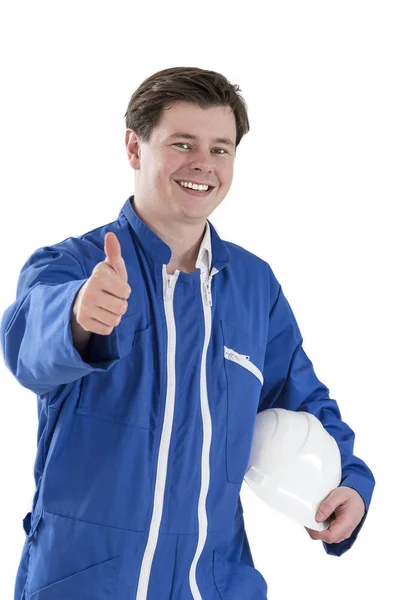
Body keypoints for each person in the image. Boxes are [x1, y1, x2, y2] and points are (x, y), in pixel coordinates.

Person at [1, 66, 375, 600]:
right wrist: (78, 317)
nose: (203, 164)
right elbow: (26, 345)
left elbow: (303, 403)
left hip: (215, 584)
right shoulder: (73, 267)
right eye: (182, 143)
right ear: (135, 148)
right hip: (85, 582)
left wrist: (351, 484)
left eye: (220, 149)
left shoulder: (253, 286)